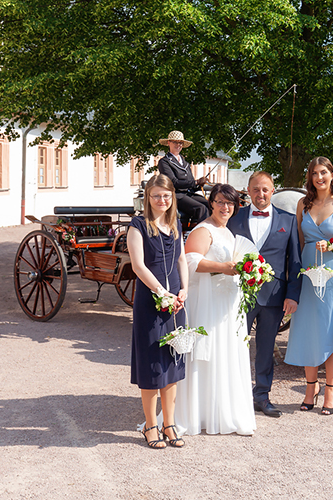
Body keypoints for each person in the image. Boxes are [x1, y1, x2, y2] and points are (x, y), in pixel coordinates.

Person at [174, 183, 257, 435]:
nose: (225, 207)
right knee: (208, 351)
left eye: (230, 203)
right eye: (220, 201)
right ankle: (200, 413)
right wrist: (223, 268)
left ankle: (224, 411)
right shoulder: (204, 229)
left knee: (227, 351)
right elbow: (189, 261)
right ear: (211, 203)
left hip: (228, 302)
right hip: (208, 303)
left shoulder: (228, 233)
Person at [284, 157, 333, 415]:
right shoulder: (302, 204)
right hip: (308, 271)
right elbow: (299, 239)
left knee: (332, 328)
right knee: (308, 328)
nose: (319, 177)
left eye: (324, 172)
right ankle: (310, 387)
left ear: (332, 175)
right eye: (315, 173)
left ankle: (331, 388)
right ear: (310, 177)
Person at [227, 172, 302, 418]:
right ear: (248, 190)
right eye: (256, 189)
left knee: (266, 347)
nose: (261, 194)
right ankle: (235, 395)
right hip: (238, 295)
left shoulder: (288, 221)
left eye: (266, 190)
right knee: (234, 346)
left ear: (273, 191)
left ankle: (262, 396)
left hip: (274, 297)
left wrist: (293, 295)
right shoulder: (233, 219)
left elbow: (295, 261)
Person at [127, 174, 188, 448]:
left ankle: (169, 423)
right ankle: (150, 425)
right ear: (147, 198)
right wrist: (162, 293)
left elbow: (182, 259)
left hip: (176, 302)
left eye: (166, 196)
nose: (162, 200)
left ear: (172, 197)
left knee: (173, 362)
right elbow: (138, 266)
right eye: (156, 196)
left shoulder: (175, 224)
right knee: (152, 364)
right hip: (150, 302)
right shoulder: (138, 225)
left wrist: (184, 289)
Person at [157, 130, 210, 225]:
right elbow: (173, 182)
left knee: (212, 205)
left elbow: (191, 184)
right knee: (201, 208)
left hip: (189, 194)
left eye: (180, 143)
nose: (178, 145)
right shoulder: (164, 162)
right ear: (169, 143)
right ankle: (202, 235)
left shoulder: (185, 163)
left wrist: (199, 184)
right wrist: (196, 182)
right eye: (175, 142)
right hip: (176, 195)